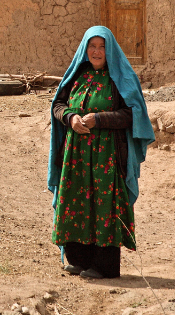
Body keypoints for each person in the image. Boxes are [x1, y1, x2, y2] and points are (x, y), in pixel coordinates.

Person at [47, 26, 154, 279]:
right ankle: (78, 259)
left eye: (101, 46)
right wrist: (71, 118)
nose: (96, 51)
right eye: (92, 46)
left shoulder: (121, 78)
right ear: (85, 49)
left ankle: (104, 266)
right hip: (76, 156)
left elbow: (133, 114)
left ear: (110, 50)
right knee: (76, 200)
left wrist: (100, 119)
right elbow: (58, 105)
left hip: (106, 157)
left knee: (103, 205)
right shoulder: (77, 75)